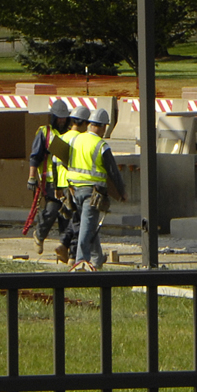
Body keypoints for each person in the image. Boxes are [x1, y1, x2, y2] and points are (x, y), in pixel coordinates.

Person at [64, 105, 125, 271]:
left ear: (90, 123)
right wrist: (121, 192)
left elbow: (62, 160)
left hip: (74, 189)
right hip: (92, 192)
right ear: (103, 127)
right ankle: (80, 261)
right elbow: (113, 171)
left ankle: (97, 259)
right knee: (86, 225)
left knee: (88, 224)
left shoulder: (75, 139)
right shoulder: (101, 145)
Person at [27, 98, 79, 260]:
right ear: (53, 117)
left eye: (64, 117)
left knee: (67, 216)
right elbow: (35, 157)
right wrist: (31, 177)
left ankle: (67, 250)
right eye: (59, 117)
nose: (62, 121)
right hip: (51, 181)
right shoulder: (45, 133)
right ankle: (40, 234)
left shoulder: (71, 133)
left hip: (68, 182)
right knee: (50, 212)